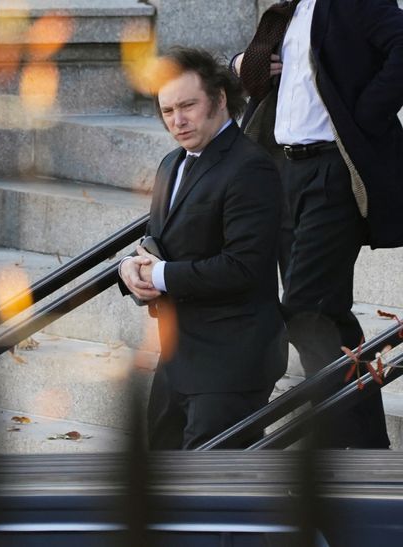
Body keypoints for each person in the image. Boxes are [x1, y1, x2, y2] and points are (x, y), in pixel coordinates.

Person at [233, 0, 403, 448]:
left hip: (332, 169)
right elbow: (270, 76)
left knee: (309, 308)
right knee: (321, 314)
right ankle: (358, 441)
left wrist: (365, 114)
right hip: (285, 168)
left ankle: (353, 443)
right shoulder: (290, 10)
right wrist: (241, 65)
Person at [119, 47, 287, 450]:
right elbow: (160, 241)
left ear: (220, 98)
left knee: (215, 496)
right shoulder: (171, 164)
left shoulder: (251, 166)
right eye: (167, 111)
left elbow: (243, 267)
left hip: (232, 361)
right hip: (178, 357)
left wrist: (159, 275)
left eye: (188, 106)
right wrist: (128, 268)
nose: (178, 121)